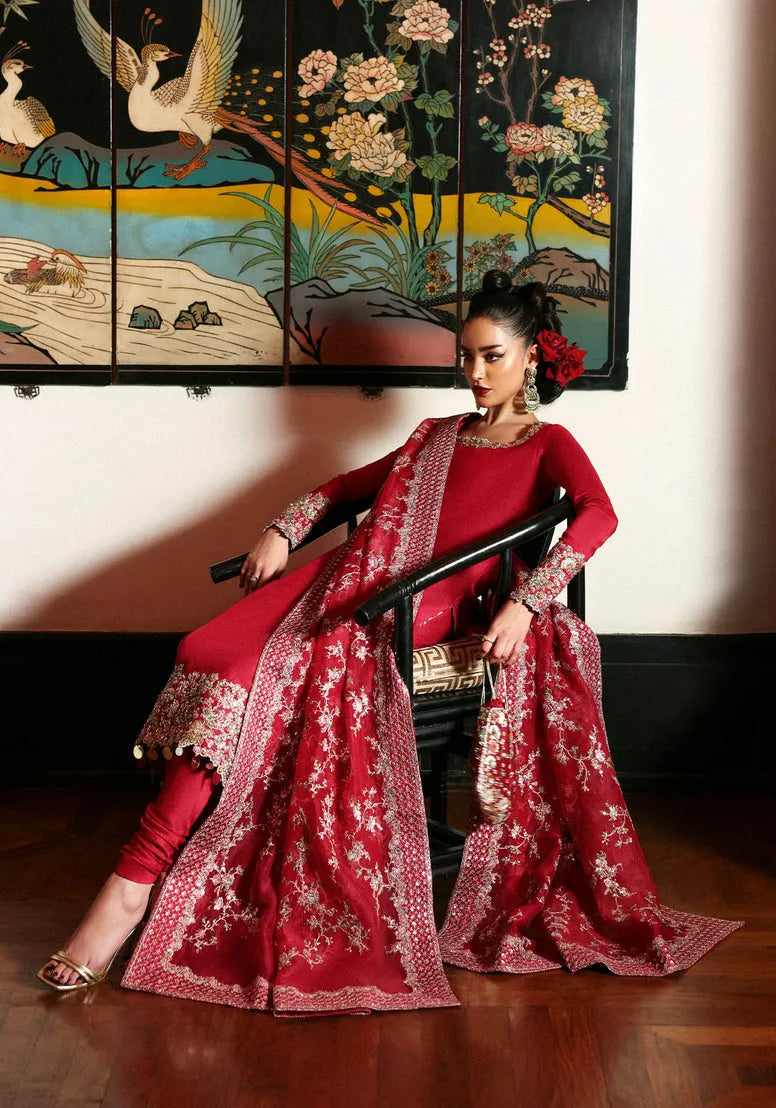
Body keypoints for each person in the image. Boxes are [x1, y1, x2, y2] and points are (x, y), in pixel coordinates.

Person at [38, 271, 742, 1012]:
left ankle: (128, 891)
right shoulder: (435, 435)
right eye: (465, 356)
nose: (475, 372)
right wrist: (282, 530)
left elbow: (599, 513)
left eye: (493, 356)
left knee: (252, 676)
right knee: (207, 652)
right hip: (349, 580)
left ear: (532, 357)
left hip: (417, 607)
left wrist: (528, 601)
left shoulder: (548, 443)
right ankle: (146, 871)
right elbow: (347, 487)